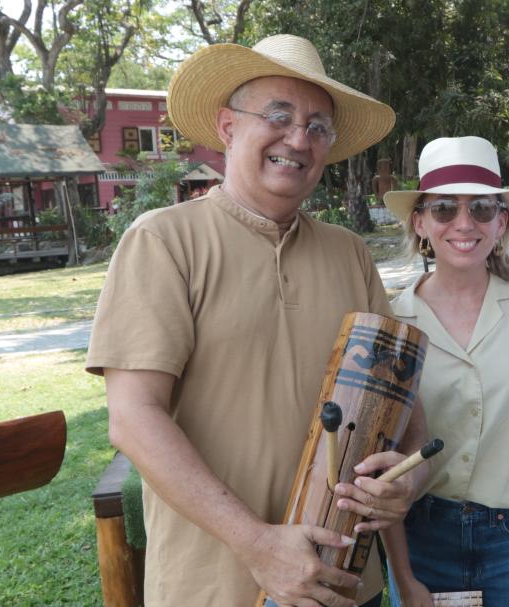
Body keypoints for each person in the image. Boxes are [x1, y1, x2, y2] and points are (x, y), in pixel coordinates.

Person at [85, 35, 428, 607]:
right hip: (214, 589)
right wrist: (257, 543)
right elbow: (133, 418)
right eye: (278, 115)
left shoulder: (349, 253)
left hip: (344, 585)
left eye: (319, 126)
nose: (299, 138)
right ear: (226, 125)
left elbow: (401, 404)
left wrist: (407, 482)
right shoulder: (164, 241)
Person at [380, 136, 509, 606]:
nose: (464, 223)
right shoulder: (392, 322)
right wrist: (402, 573)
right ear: (420, 222)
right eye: (445, 208)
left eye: (482, 209)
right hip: (422, 540)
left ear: (502, 222)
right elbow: (380, 459)